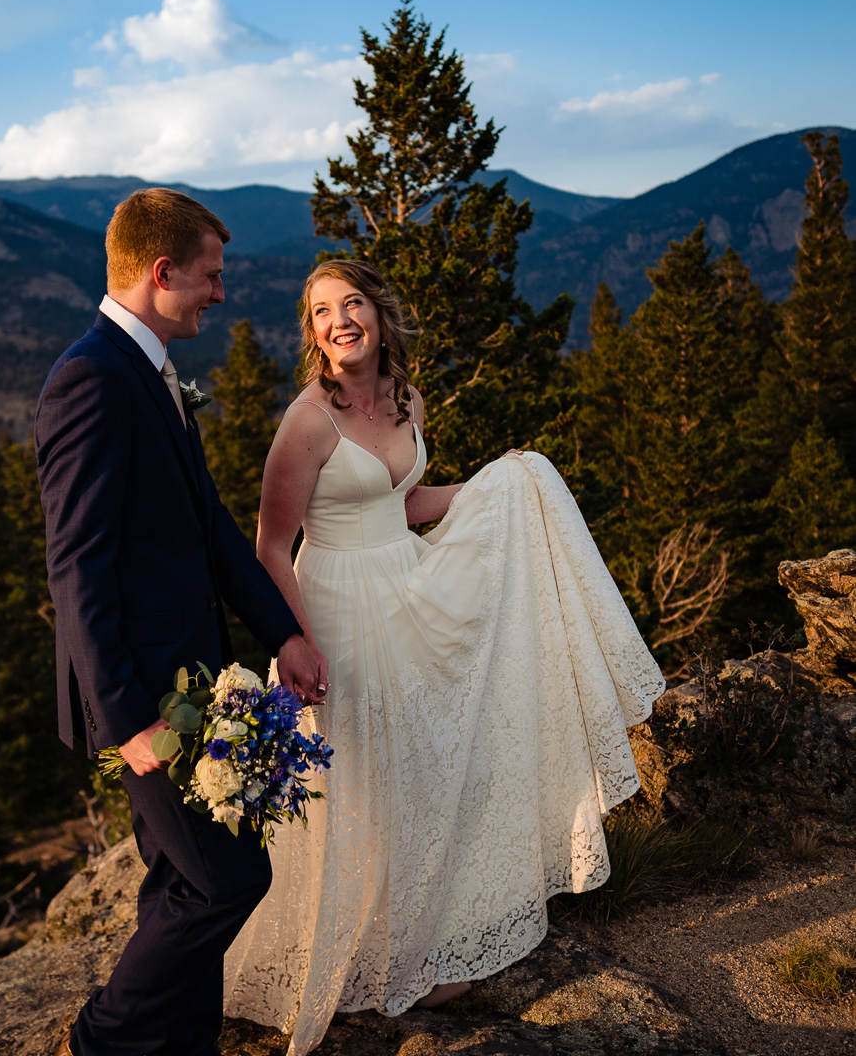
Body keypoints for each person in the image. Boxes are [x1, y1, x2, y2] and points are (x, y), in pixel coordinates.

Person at [223, 259, 665, 1054]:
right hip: (338, 604)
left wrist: (500, 487)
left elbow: (404, 503)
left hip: (407, 584)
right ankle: (354, 952)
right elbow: (269, 544)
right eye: (321, 311)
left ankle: (413, 946)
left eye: (351, 302)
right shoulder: (308, 420)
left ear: (379, 315)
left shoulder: (404, 400)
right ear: (312, 332)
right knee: (362, 777)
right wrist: (296, 639)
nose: (338, 320)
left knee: (423, 766)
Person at [35, 188, 328, 1056]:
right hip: (149, 701)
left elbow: (209, 530)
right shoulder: (91, 380)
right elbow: (76, 567)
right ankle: (103, 1040)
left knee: (176, 884)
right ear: (162, 274)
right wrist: (125, 720)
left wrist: (282, 632)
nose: (222, 292)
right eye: (211, 276)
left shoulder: (153, 374)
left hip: (194, 677)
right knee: (226, 880)